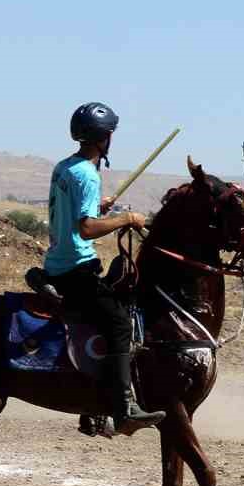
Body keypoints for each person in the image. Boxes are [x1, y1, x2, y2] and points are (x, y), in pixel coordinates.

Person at [45, 102, 167, 436]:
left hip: (55, 261)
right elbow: (85, 229)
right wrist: (125, 219)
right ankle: (123, 407)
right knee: (118, 322)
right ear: (105, 137)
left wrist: (101, 208)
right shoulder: (87, 173)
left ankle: (96, 400)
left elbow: (71, 211)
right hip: (76, 267)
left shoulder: (64, 167)